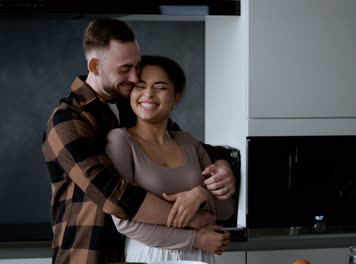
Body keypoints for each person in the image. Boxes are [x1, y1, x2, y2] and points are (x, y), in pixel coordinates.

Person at [42, 18, 236, 264]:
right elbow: (115, 194)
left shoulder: (130, 106)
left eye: (137, 66)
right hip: (89, 255)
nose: (134, 77)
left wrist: (222, 163)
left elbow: (187, 145)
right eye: (125, 69)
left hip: (137, 252)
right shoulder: (67, 121)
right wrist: (193, 221)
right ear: (94, 65)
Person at [106, 55, 233, 263]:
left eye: (160, 87)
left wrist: (200, 194)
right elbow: (124, 222)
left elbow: (225, 209)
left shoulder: (188, 141)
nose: (148, 94)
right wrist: (195, 239)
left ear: (175, 97)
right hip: (149, 255)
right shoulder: (121, 140)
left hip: (200, 256)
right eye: (140, 86)